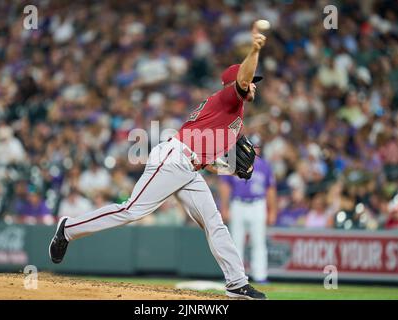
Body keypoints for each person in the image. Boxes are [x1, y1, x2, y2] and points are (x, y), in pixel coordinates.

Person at [49, 22, 268, 300]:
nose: (253, 86)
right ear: (236, 83)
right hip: (173, 159)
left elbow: (209, 161)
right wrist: (255, 49)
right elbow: (242, 78)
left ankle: (237, 282)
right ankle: (68, 229)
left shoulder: (233, 116)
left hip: (189, 169)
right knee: (131, 210)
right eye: (251, 81)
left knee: (214, 222)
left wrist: (229, 170)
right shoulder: (228, 98)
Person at [219, 150, 277, 284]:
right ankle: (234, 277)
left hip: (258, 204)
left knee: (259, 242)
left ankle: (260, 276)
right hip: (238, 204)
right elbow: (225, 186)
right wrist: (225, 207)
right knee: (235, 243)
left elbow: (270, 189)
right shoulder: (233, 162)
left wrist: (273, 210)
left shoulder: (264, 165)